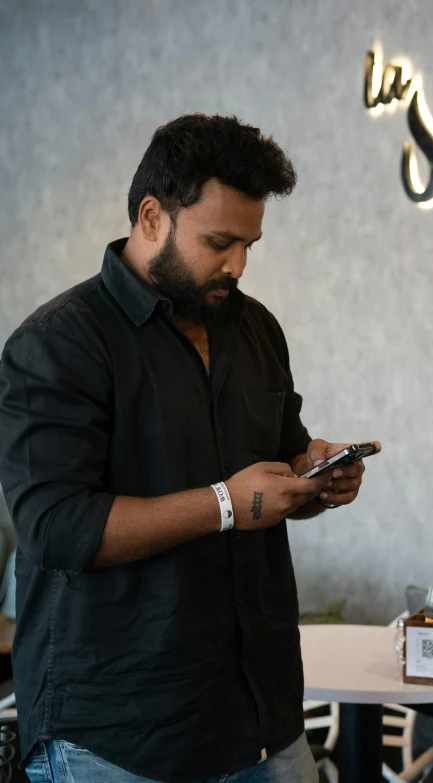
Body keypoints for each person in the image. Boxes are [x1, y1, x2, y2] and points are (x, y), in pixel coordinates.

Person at [0, 114, 379, 783]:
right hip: (117, 739)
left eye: (249, 245)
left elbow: (276, 469)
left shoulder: (256, 328)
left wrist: (314, 479)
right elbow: (55, 527)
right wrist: (225, 504)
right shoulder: (58, 343)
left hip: (264, 718)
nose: (237, 264)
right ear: (152, 217)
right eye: (219, 242)